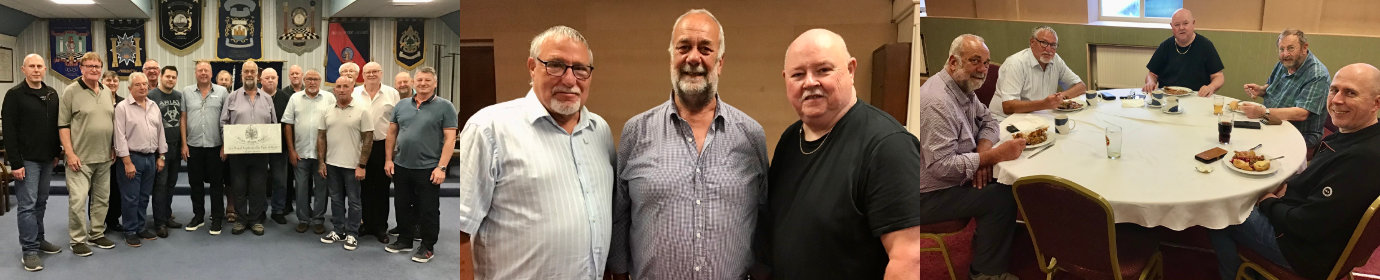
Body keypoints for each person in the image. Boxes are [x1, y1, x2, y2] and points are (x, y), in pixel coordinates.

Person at [609, 10, 769, 279]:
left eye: (705, 49)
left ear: (720, 62)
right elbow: (620, 218)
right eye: (684, 47)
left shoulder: (751, 135)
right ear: (672, 56)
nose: (693, 58)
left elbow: (763, 218)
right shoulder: (636, 132)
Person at [763, 29, 925, 280]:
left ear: (850, 70)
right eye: (798, 74)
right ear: (786, 79)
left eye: (823, 70)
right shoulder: (789, 139)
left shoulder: (889, 147)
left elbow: (910, 259)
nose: (809, 82)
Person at [454, 26, 606, 275]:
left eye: (580, 68)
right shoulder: (490, 128)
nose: (569, 79)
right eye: (555, 65)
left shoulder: (599, 131)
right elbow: (461, 228)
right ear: (532, 67)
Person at [1209, 63, 1380, 280]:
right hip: (1317, 233)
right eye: (1334, 89)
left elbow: (1305, 225)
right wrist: (1285, 188)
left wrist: (1268, 201)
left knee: (1219, 210)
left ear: (1377, 103)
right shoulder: (1360, 135)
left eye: (1351, 93)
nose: (1337, 100)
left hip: (1304, 253)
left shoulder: (1361, 160)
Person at [912, 34, 1026, 280]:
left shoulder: (962, 89)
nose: (983, 69)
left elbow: (989, 120)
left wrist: (983, 153)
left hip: (947, 178)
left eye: (986, 63)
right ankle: (985, 273)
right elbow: (941, 168)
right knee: (1000, 196)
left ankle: (989, 237)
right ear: (954, 62)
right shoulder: (936, 102)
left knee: (1006, 179)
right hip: (925, 195)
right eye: (975, 61)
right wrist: (992, 156)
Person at [5, 54, 64, 271]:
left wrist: (57, 151)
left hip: (48, 158)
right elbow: (9, 132)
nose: (36, 69)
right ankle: (29, 250)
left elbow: (55, 126)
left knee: (41, 202)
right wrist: (16, 163)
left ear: (45, 69)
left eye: (39, 66)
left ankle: (39, 239)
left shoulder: (51, 94)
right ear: (23, 69)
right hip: (26, 161)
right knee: (27, 205)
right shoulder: (14, 95)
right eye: (32, 66)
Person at [58, 52, 119, 256]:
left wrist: (112, 147)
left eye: (97, 66)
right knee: (78, 200)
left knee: (102, 199)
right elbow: (63, 125)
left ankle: (96, 233)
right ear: (81, 68)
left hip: (104, 157)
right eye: (90, 66)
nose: (94, 69)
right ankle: (77, 240)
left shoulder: (105, 91)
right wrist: (70, 153)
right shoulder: (71, 91)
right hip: (79, 159)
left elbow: (109, 122)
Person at [1241, 29, 1330, 149]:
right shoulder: (1284, 63)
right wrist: (1261, 90)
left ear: (1304, 48)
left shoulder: (1317, 75)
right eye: (1281, 49)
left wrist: (1263, 112)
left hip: (1300, 134)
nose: (1285, 54)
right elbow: (1271, 87)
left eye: (1291, 48)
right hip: (1272, 123)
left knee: (1253, 150)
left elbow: (1301, 113)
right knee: (1238, 136)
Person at [317, 77, 374, 251]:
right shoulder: (326, 111)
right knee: (336, 199)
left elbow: (368, 139)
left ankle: (352, 233)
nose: (341, 89)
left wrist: (362, 165)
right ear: (334, 89)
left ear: (352, 89)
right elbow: (321, 137)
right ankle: (338, 230)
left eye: (345, 86)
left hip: (352, 166)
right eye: (338, 86)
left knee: (355, 202)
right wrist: (321, 162)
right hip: (332, 164)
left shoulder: (362, 111)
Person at [221, 61, 276, 236]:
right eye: (246, 71)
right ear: (242, 75)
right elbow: (224, 122)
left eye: (253, 71)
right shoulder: (232, 97)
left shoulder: (267, 98)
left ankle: (254, 220)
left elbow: (274, 123)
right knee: (238, 186)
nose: (250, 74)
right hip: (237, 152)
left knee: (258, 187)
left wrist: (272, 142)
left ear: (257, 75)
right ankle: (240, 219)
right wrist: (226, 142)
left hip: (261, 152)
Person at [112, 73, 167, 247]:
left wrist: (161, 156)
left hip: (151, 158)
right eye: (138, 85)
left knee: (144, 197)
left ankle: (141, 227)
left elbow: (160, 133)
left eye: (144, 84)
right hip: (132, 158)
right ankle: (130, 230)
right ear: (129, 88)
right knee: (131, 198)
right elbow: (119, 137)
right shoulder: (122, 108)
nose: (143, 87)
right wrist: (127, 162)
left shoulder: (153, 106)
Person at [989, 26, 1087, 121]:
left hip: (1038, 117)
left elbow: (1081, 86)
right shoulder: (1015, 63)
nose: (1048, 49)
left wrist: (1061, 97)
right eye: (1044, 43)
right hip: (1006, 121)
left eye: (1053, 45)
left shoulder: (1055, 59)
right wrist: (1044, 104)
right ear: (1032, 42)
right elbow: (1008, 106)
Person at [282, 70, 334, 234]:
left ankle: (318, 220)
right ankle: (303, 219)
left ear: (320, 81)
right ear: (304, 80)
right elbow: (288, 124)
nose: (312, 82)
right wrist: (291, 150)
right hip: (301, 153)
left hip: (322, 155)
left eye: (315, 79)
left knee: (321, 189)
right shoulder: (295, 98)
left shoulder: (329, 98)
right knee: (301, 189)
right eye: (309, 79)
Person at [354, 62, 400, 244]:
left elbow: (397, 122)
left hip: (383, 146)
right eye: (368, 72)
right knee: (363, 188)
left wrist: (393, 152)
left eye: (375, 71)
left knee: (381, 188)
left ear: (381, 73)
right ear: (362, 75)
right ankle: (366, 223)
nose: (371, 74)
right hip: (360, 146)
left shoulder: (392, 93)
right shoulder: (355, 93)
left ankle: (381, 226)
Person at [182, 61, 230, 234]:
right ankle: (198, 216)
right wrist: (183, 144)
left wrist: (226, 145)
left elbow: (227, 119)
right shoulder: (186, 92)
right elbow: (183, 119)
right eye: (200, 70)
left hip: (215, 146)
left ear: (211, 73)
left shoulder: (222, 92)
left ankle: (217, 218)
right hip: (193, 146)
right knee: (195, 184)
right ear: (195, 73)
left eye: (206, 70)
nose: (203, 73)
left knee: (217, 184)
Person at [1143, 8, 1225, 97]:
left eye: (1185, 23)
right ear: (1172, 26)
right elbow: (1152, 74)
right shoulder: (1165, 46)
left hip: (1197, 98)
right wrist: (1150, 82)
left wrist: (1210, 87)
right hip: (1168, 99)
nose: (1181, 28)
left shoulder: (1205, 45)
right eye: (1177, 25)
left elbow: (1218, 76)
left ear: (1193, 23)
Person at [148, 66, 186, 238]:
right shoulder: (152, 96)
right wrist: (159, 153)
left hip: (176, 147)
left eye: (173, 77)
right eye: (168, 76)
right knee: (160, 186)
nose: (170, 79)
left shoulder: (179, 96)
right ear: (161, 77)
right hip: (159, 149)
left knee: (171, 184)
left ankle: (167, 215)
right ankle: (160, 222)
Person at [262, 68, 293, 225]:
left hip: (280, 146)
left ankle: (278, 210)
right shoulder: (255, 96)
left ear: (277, 79)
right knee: (258, 181)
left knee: (280, 180)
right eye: (266, 77)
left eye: (273, 77)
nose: (270, 80)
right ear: (261, 80)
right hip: (258, 147)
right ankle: (260, 210)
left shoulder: (285, 98)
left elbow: (289, 123)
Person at [100, 71, 126, 235]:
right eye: (108, 80)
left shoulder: (123, 102)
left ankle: (114, 220)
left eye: (115, 80)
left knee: (117, 188)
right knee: (100, 188)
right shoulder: (98, 99)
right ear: (102, 81)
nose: (112, 83)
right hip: (101, 150)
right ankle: (99, 221)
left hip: (120, 151)